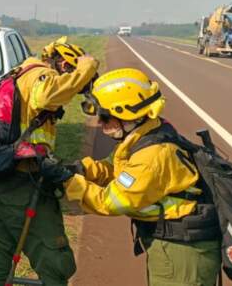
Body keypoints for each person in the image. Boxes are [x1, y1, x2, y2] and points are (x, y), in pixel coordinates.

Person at [39, 68, 221, 285]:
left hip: (182, 251)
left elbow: (111, 201)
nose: (99, 123)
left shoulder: (152, 156)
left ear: (128, 115)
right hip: (172, 243)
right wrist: (78, 170)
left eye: (105, 117)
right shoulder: (144, 135)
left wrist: (67, 181)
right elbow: (113, 167)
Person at [0, 37, 99, 286]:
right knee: (56, 263)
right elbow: (48, 97)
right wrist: (85, 68)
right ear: (64, 65)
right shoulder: (41, 75)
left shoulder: (16, 74)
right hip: (22, 183)